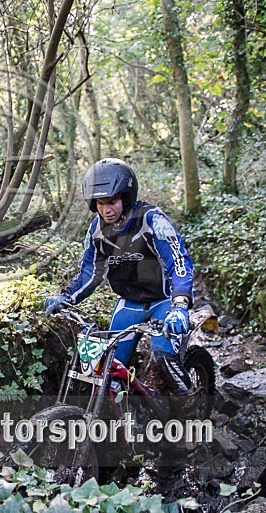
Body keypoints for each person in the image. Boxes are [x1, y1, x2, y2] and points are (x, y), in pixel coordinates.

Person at [44, 158, 195, 397]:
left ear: (126, 197)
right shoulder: (97, 231)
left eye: (112, 201)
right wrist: (66, 297)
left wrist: (180, 306)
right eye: (100, 203)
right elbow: (90, 272)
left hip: (164, 301)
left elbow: (178, 262)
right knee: (107, 369)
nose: (107, 210)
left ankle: (189, 404)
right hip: (129, 304)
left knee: (163, 356)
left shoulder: (152, 221)